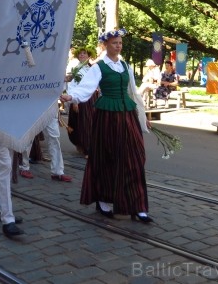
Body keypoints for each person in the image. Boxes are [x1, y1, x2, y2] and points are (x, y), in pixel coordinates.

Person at [60, 28, 153, 223]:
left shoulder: (125, 65)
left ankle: (137, 205)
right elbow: (85, 89)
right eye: (114, 43)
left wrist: (143, 116)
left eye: (120, 43)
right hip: (107, 116)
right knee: (107, 157)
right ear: (105, 45)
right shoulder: (98, 67)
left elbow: (133, 92)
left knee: (135, 157)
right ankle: (104, 200)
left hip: (127, 114)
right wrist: (70, 97)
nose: (118, 46)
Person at [65, 47, 97, 153]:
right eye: (80, 54)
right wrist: (75, 102)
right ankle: (80, 145)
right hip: (79, 99)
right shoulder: (76, 69)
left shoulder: (93, 68)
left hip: (91, 99)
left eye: (84, 53)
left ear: (89, 56)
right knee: (78, 123)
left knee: (89, 123)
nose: (82, 55)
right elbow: (72, 85)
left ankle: (88, 146)